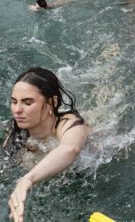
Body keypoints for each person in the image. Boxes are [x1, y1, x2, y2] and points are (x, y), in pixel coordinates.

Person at [4, 68, 89, 222]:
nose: (17, 110)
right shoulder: (15, 133)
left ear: (52, 102)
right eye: (14, 101)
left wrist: (27, 180)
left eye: (27, 102)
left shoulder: (68, 123)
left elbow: (71, 149)